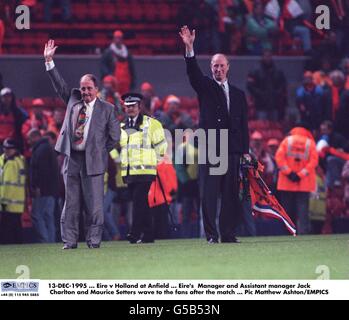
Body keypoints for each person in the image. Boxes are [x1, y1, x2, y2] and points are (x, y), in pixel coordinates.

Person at [44, 39, 120, 249]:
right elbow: (60, 84)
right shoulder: (73, 99)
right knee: (71, 205)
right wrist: (49, 62)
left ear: (97, 90)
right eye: (83, 88)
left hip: (93, 161)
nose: (85, 92)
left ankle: (94, 241)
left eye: (88, 89)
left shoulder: (107, 109)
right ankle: (69, 241)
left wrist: (99, 151)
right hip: (72, 160)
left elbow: (114, 137)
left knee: (95, 207)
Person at [179, 26, 250, 244]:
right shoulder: (206, 87)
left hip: (232, 151)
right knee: (208, 195)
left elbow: (244, 125)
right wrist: (189, 48)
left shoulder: (239, 94)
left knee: (230, 195)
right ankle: (211, 235)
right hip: (211, 149)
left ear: (228, 67)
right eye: (214, 66)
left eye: (221, 65)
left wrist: (245, 151)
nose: (218, 69)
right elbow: (193, 73)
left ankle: (228, 234)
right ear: (211, 69)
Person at [119, 93, 167, 244]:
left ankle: (134, 233)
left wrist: (154, 161)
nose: (130, 109)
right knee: (141, 202)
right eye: (127, 106)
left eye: (133, 106)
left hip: (145, 171)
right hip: (129, 172)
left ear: (139, 106)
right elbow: (116, 147)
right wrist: (117, 159)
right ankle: (148, 235)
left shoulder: (152, 123)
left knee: (138, 201)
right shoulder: (121, 126)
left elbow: (162, 147)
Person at [275, 126, 318, 234]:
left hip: (286, 183)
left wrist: (289, 173)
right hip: (304, 184)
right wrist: (300, 175)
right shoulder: (310, 143)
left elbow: (279, 158)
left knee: (287, 211)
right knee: (303, 211)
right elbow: (314, 162)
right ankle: (303, 234)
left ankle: (288, 233)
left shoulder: (286, 141)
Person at [27, 129, 60, 243]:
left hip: (43, 190)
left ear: (36, 137)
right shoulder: (47, 148)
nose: (28, 141)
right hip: (51, 189)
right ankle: (51, 241)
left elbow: (41, 171)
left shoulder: (41, 150)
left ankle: (45, 240)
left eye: (29, 138)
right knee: (48, 216)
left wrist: (37, 187)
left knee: (37, 215)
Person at [0, 138, 26, 244]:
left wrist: (4, 201)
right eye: (5, 148)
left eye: (9, 149)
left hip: (13, 201)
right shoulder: (2, 159)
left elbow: (9, 184)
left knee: (13, 228)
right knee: (7, 228)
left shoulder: (17, 162)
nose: (7, 150)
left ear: (15, 149)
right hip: (4, 201)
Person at [100, 30, 136, 96]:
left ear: (122, 39)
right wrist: (109, 76)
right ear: (113, 39)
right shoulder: (108, 52)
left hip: (126, 83)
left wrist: (133, 81)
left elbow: (131, 68)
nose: (118, 40)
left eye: (119, 38)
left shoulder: (127, 53)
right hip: (114, 83)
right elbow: (103, 66)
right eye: (116, 38)